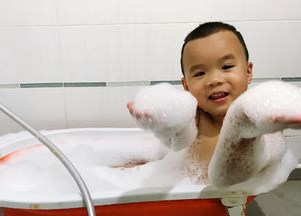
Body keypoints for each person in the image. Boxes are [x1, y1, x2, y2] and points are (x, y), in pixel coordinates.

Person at [127, 22, 301, 189]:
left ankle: (242, 132)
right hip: (190, 192)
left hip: (231, 185)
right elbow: (173, 142)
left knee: (228, 172)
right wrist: (159, 120)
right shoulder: (193, 116)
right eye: (200, 73)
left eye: (226, 66)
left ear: (248, 72)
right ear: (186, 85)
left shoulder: (265, 119)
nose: (214, 80)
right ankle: (240, 130)